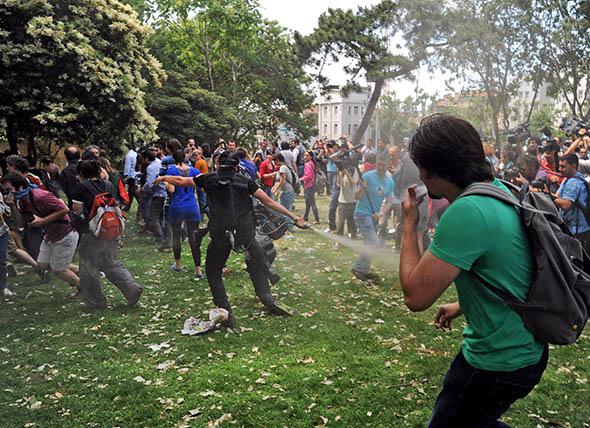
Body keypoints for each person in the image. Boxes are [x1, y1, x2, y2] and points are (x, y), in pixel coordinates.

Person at [399, 114, 547, 427]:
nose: (421, 176)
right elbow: (505, 269)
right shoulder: (496, 190)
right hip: (524, 348)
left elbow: (415, 296)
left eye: (421, 166)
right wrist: (461, 305)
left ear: (435, 169)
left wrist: (409, 225)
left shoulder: (468, 211)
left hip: (499, 359)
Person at [155, 151, 305, 327]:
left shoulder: (209, 179)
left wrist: (163, 177)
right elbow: (268, 201)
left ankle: (226, 313)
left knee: (213, 271)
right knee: (257, 261)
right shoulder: (244, 181)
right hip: (244, 233)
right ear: (236, 166)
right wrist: (293, 217)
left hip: (220, 234)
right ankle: (267, 299)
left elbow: (180, 181)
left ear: (218, 165)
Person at [71, 159, 143, 310]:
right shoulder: (108, 184)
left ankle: (96, 303)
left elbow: (77, 210)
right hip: (110, 230)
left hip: (91, 233)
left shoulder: (80, 187)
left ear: (81, 173)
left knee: (88, 268)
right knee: (110, 262)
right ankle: (131, 288)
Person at [2, 173, 80, 295]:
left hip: (64, 234)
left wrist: (42, 221)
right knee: (43, 265)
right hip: (49, 236)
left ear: (20, 187)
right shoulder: (22, 200)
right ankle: (83, 271)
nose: (7, 194)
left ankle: (85, 288)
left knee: (59, 270)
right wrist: (12, 206)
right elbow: (20, 224)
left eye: (9, 190)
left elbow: (64, 209)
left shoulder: (40, 196)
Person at [351, 153, 394, 281]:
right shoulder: (367, 176)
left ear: (388, 165)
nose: (380, 167)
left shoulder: (390, 181)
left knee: (368, 244)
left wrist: (380, 214)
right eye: (378, 164)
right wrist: (362, 188)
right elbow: (356, 197)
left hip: (374, 216)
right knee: (373, 242)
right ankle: (358, 266)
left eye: (383, 165)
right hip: (362, 213)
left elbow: (389, 201)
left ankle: (363, 272)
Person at [163, 149, 204, 279]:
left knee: (176, 236)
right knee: (194, 238)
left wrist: (165, 182)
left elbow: (171, 189)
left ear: (174, 158)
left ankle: (178, 264)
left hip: (177, 206)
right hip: (192, 206)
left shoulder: (171, 171)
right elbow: (200, 188)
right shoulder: (194, 171)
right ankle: (198, 270)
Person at [549, 154, 590, 252]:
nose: (560, 169)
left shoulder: (573, 182)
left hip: (578, 231)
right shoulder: (567, 179)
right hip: (575, 229)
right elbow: (557, 197)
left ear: (574, 166)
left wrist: (549, 197)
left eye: (563, 167)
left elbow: (565, 205)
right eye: (559, 166)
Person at [144, 148, 171, 251]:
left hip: (159, 194)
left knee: (152, 216)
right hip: (166, 192)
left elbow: (150, 182)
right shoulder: (160, 162)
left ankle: (160, 238)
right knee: (161, 217)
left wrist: (144, 189)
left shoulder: (150, 167)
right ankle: (167, 236)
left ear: (146, 158)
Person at [271, 153, 296, 218]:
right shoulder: (285, 166)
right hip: (288, 191)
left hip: (286, 192)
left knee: (286, 211)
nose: (274, 163)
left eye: (274, 161)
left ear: (277, 160)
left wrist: (276, 190)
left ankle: (288, 227)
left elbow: (282, 180)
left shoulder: (282, 168)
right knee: (286, 210)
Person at [300, 151, 319, 224]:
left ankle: (317, 219)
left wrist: (301, 179)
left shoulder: (308, 164)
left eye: (307, 156)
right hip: (311, 185)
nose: (305, 157)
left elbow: (309, 176)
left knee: (311, 203)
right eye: (304, 155)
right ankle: (305, 217)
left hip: (309, 185)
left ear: (311, 157)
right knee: (307, 202)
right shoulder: (312, 163)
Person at [123, 145, 138, 212]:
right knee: (133, 191)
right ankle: (127, 206)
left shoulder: (128, 155)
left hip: (131, 175)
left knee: (131, 191)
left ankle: (127, 207)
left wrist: (126, 176)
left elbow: (127, 166)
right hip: (136, 175)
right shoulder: (135, 154)